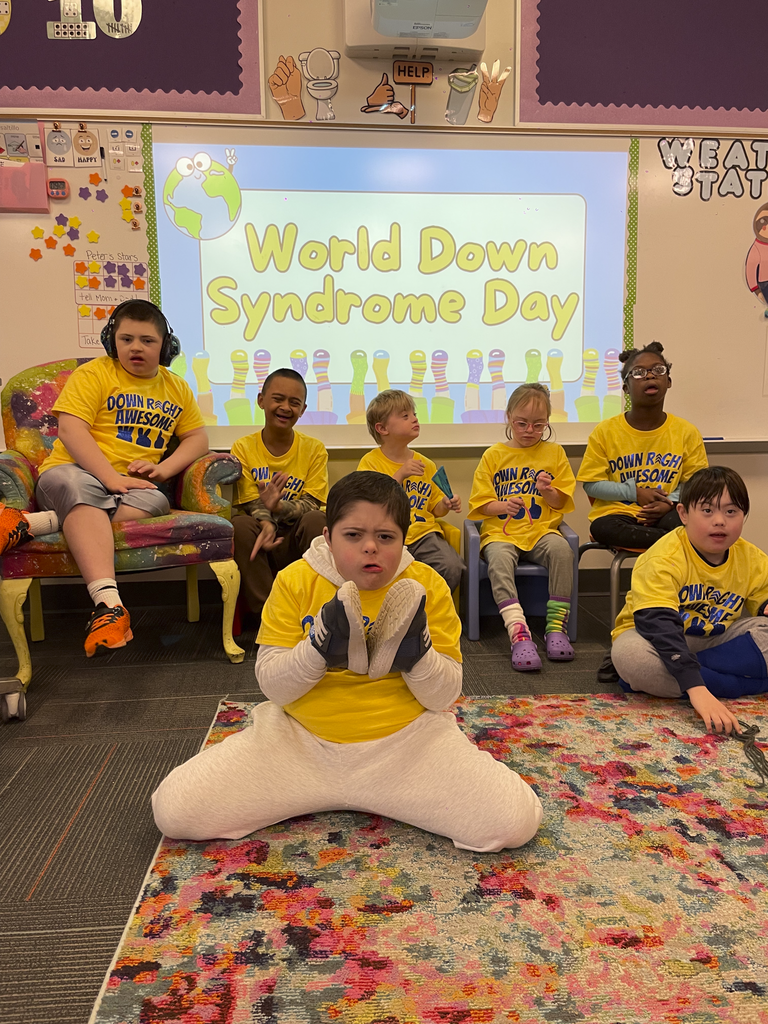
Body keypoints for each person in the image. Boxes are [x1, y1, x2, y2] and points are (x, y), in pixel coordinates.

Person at [152, 472, 543, 853]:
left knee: (516, 820)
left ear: (404, 540)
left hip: (406, 745)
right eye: (353, 535)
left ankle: (409, 650)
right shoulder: (294, 580)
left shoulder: (425, 585)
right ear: (328, 537)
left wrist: (418, 659)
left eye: (386, 537)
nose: (370, 547)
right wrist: (316, 654)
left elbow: (443, 696)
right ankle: (328, 642)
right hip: (299, 743)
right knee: (175, 810)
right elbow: (272, 686)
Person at [0, 299, 208, 656]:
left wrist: (163, 470)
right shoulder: (94, 373)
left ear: (166, 347)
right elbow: (70, 429)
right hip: (71, 474)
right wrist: (110, 478)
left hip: (131, 488)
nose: (136, 347)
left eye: (147, 340)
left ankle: (29, 523)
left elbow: (197, 438)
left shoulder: (177, 387)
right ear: (113, 342)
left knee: (157, 498)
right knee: (81, 490)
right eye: (126, 339)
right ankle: (109, 606)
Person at [611, 466, 768, 734]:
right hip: (655, 640)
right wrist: (698, 691)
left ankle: (680, 676)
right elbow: (657, 624)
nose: (720, 521)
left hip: (715, 638)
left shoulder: (753, 557)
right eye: (707, 511)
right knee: (632, 659)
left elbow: (761, 603)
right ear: (683, 514)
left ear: (744, 516)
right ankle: (741, 685)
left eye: (731, 512)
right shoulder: (662, 558)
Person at [468, 383, 576, 672]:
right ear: (508, 418)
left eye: (538, 425)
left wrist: (548, 490)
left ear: (547, 423)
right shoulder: (493, 455)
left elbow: (560, 501)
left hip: (541, 531)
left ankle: (556, 629)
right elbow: (481, 503)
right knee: (499, 559)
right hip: (501, 533)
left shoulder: (555, 453)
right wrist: (502, 506)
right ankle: (518, 632)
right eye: (522, 423)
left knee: (563, 551)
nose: (529, 430)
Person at [578, 341, 708, 550]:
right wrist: (635, 493)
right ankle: (672, 543)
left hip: (668, 512)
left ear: (669, 381)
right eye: (638, 373)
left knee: (690, 522)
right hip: (618, 515)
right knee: (603, 527)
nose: (649, 376)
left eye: (658, 370)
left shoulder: (687, 432)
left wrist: (670, 502)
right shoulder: (605, 432)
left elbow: (697, 484)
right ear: (625, 388)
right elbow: (592, 485)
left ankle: (670, 541)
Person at [231, 367, 327, 629]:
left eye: (294, 403)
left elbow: (312, 503)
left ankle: (315, 609)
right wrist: (267, 522)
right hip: (260, 535)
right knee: (239, 525)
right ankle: (272, 617)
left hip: (295, 537)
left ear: (303, 409)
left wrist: (279, 507)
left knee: (318, 519)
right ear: (261, 400)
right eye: (278, 399)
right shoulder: (243, 447)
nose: (285, 407)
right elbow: (249, 502)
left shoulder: (314, 449)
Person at [357, 389, 464, 592]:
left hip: (424, 536)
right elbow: (367, 505)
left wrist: (446, 504)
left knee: (452, 566)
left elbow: (435, 509)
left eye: (414, 414)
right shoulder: (370, 462)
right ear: (382, 428)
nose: (414, 419)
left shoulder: (426, 464)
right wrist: (400, 475)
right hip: (384, 536)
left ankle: (425, 612)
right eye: (405, 416)